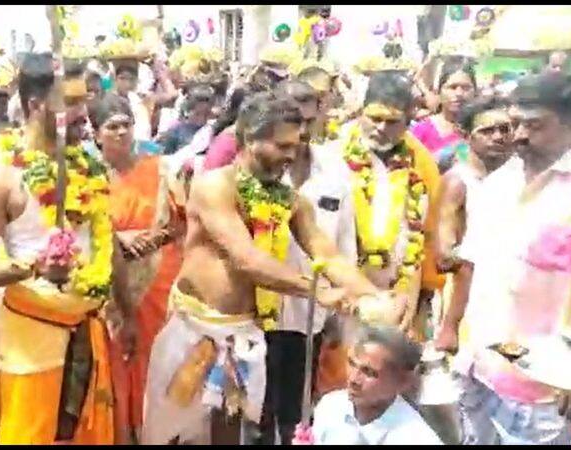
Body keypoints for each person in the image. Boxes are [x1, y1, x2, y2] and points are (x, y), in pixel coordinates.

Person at [141, 91, 406, 445]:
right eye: (282, 145)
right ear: (250, 138)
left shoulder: (290, 201)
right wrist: (320, 292)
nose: (291, 155)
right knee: (170, 436)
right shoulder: (214, 187)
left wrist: (373, 297)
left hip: (243, 334)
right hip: (192, 329)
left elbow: (327, 254)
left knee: (230, 434)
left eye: (294, 145)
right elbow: (246, 258)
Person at [0, 53, 116, 445]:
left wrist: (121, 306)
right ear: (33, 105)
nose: (84, 113)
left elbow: (100, 244)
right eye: (71, 102)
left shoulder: (88, 168)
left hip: (90, 332)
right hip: (31, 343)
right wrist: (30, 268)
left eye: (86, 100)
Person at [454, 72, 571, 445]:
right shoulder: (499, 183)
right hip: (479, 366)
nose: (519, 136)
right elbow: (474, 265)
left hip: (543, 388)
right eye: (515, 124)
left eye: (534, 125)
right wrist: (451, 330)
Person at [257, 80, 358, 445]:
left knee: (296, 411)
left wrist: (341, 310)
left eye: (306, 104)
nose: (298, 113)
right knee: (254, 409)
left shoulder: (334, 169)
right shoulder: (253, 170)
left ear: (318, 110)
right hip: (255, 313)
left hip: (310, 313)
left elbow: (343, 244)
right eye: (289, 105)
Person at [312, 71, 444, 344]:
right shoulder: (330, 157)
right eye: (374, 118)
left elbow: (421, 237)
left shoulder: (421, 163)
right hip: (339, 295)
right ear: (361, 112)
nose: (382, 128)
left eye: (393, 122)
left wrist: (411, 295)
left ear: (409, 122)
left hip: (396, 297)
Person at [88, 94, 185, 444]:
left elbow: (182, 225)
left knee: (157, 359)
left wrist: (151, 238)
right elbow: (83, 230)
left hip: (158, 277)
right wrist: (117, 239)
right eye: (111, 126)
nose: (121, 132)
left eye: (126, 124)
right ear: (96, 134)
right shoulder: (89, 178)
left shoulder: (161, 169)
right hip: (111, 283)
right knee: (114, 360)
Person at [432, 96, 514, 353]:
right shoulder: (458, 182)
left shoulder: (521, 178)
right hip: (465, 303)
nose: (498, 136)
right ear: (466, 136)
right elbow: (444, 256)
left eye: (505, 129)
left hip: (511, 298)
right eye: (487, 131)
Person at [309, 324, 442, 445]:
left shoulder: (416, 438)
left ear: (402, 381)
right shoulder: (330, 406)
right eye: (352, 364)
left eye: (369, 372)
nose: (354, 379)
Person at [410, 60, 477, 173]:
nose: (459, 94)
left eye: (466, 88)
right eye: (452, 87)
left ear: (475, 92)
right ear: (439, 91)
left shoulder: (482, 130)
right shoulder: (421, 130)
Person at [157, 83, 216, 155]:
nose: (201, 120)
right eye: (197, 114)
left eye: (206, 115)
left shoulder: (210, 132)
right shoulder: (176, 131)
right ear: (188, 111)